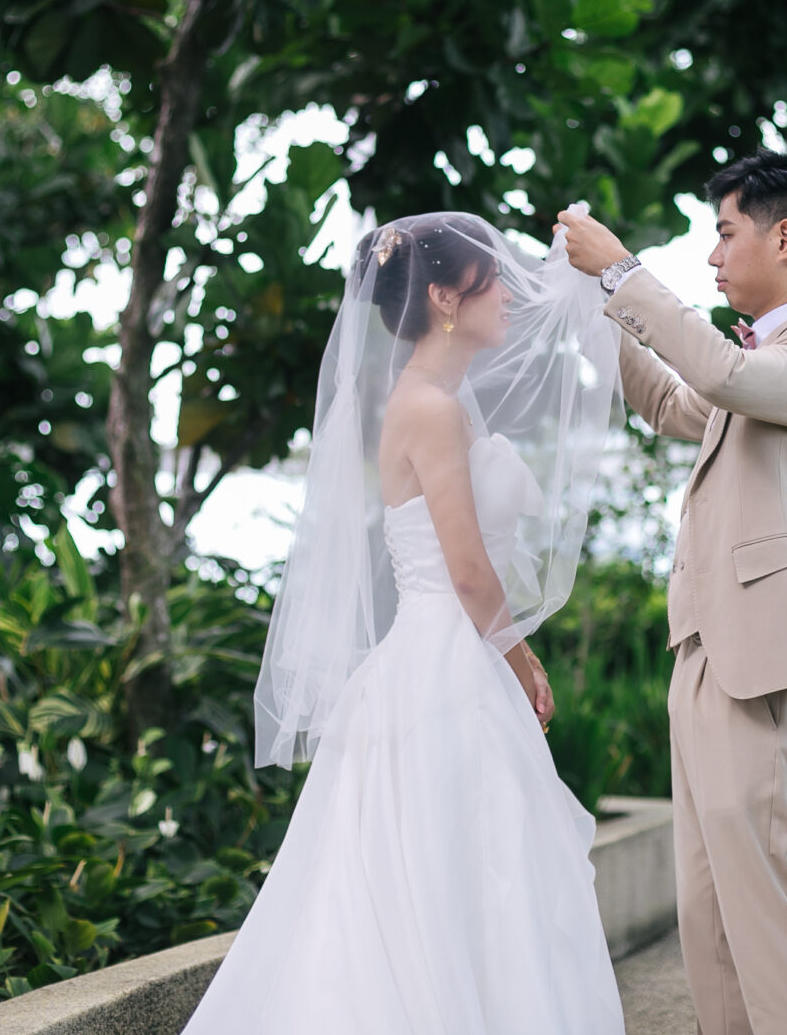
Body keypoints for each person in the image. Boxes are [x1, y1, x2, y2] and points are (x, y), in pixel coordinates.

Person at [181, 211, 626, 1035]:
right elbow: (467, 571)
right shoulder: (431, 409)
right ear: (445, 299)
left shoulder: (437, 402)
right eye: (493, 281)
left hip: (446, 660)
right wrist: (523, 659)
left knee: (456, 876)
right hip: (446, 671)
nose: (510, 295)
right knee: (455, 876)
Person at [558, 151, 787, 1035]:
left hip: (767, 667)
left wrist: (622, 271)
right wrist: (599, 306)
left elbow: (722, 376)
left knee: (770, 927)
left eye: (726, 234)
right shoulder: (755, 363)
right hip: (704, 654)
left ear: (785, 237)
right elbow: (670, 402)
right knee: (712, 923)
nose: (713, 255)